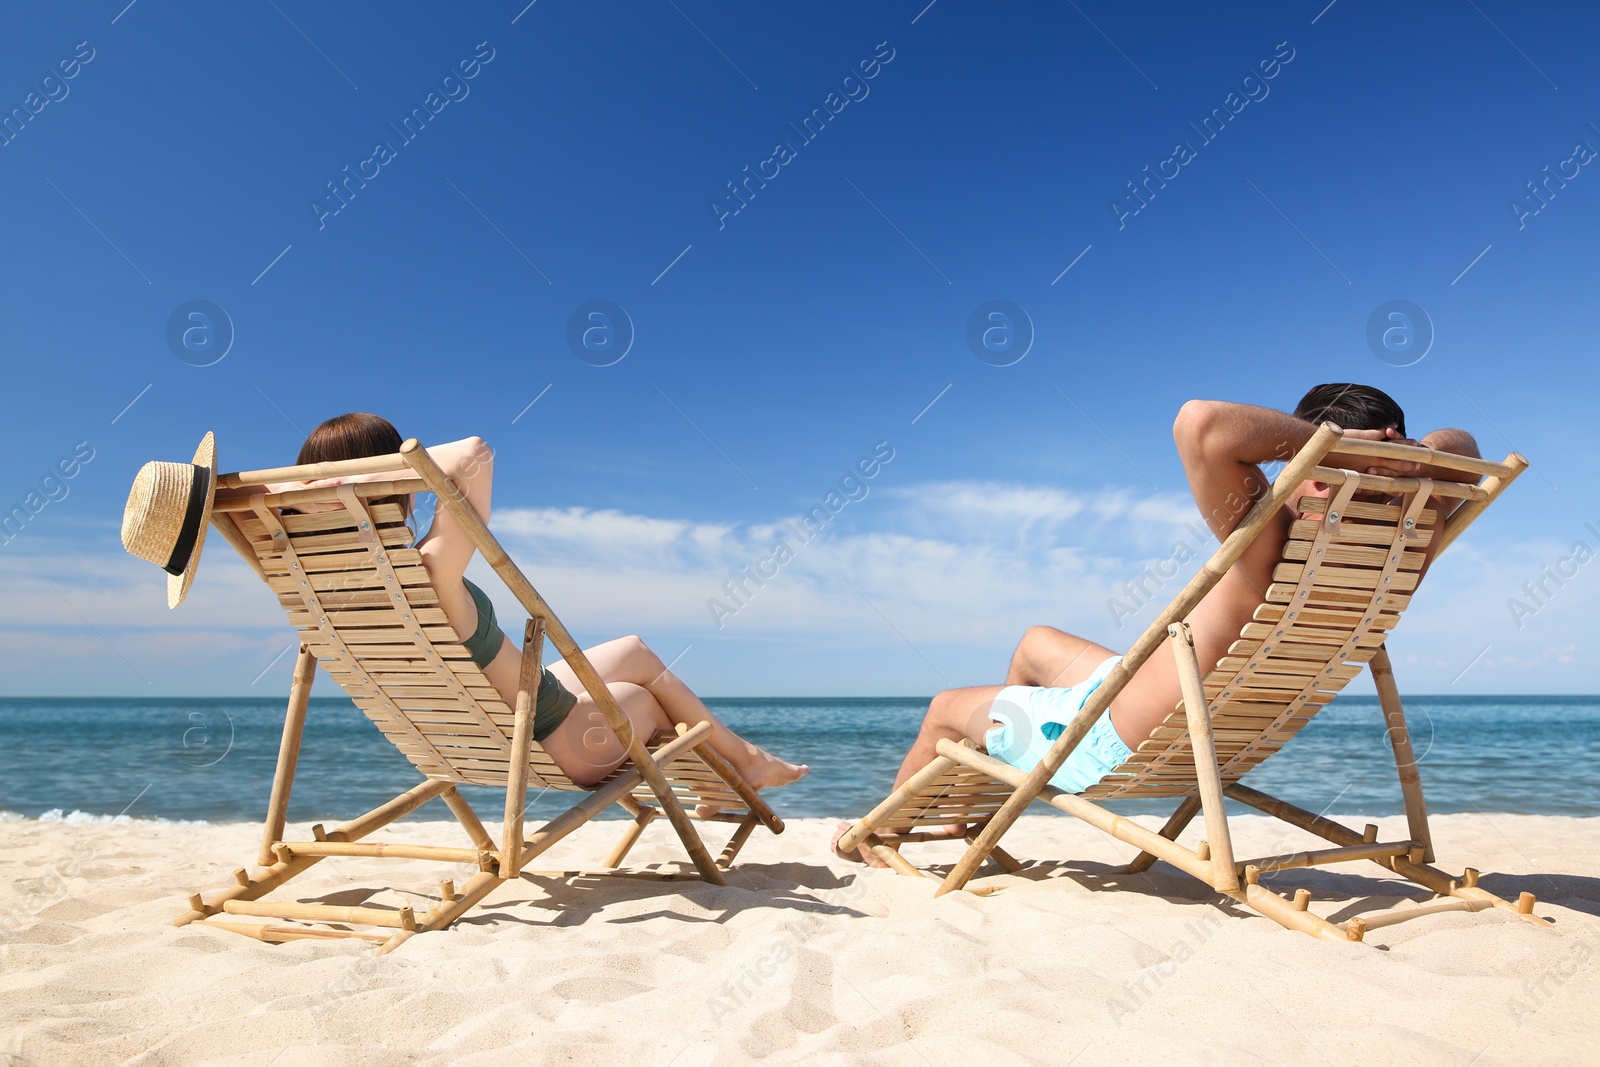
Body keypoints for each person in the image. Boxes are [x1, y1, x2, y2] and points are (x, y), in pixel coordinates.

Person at [834, 384, 1479, 863]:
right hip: (1156, 695)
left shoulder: (1273, 538)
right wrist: (1408, 456)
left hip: (1109, 739)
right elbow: (1463, 447)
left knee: (947, 705)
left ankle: (881, 831)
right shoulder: (1416, 535)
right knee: (1035, 643)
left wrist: (1328, 451)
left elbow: (1201, 425)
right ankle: (990, 797)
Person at [274, 413, 808, 794]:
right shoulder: (430, 570)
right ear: (401, 488)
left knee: (633, 649)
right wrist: (385, 471)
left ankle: (744, 764)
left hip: (491, 737)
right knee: (640, 692)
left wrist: (319, 486)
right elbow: (472, 454)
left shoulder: (313, 587)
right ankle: (744, 767)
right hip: (564, 746)